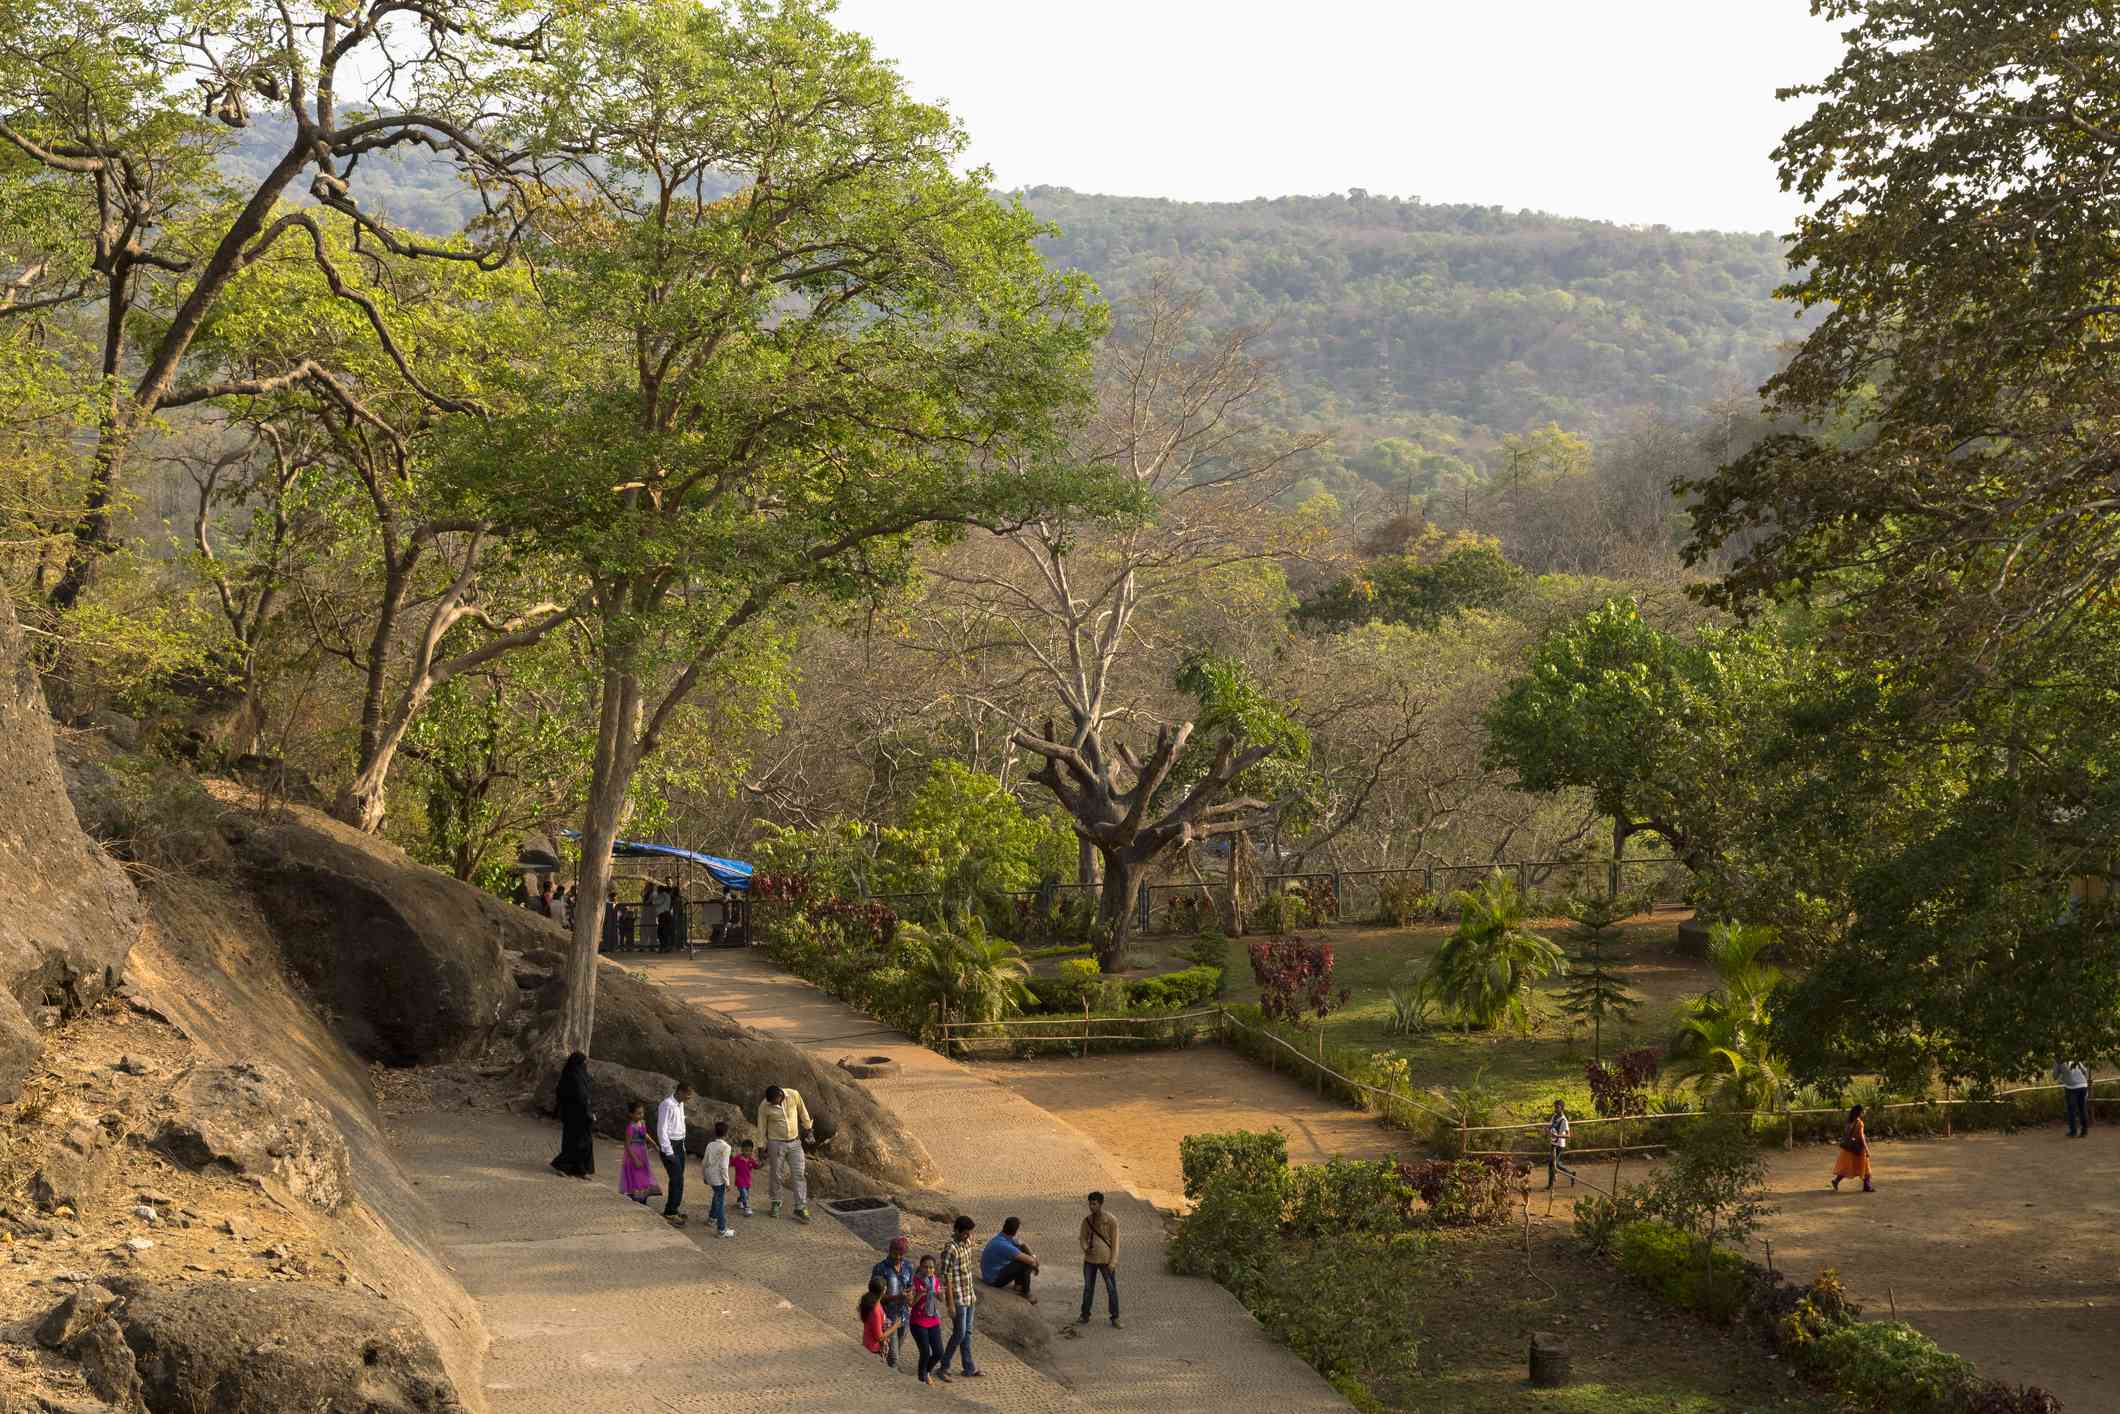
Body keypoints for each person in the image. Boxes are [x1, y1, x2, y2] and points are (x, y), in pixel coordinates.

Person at [755, 1085, 814, 1221]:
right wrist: (760, 1147)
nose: (772, 1104)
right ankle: (776, 1202)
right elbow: (761, 1127)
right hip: (776, 1143)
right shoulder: (764, 1105)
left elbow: (803, 1112)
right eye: (770, 1103)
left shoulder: (794, 1094)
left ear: (780, 1096)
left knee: (799, 1174)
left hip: (795, 1142)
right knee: (776, 1174)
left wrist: (808, 1129)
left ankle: (800, 1207)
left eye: (774, 1102)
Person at [938, 1215, 982, 1377]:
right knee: (960, 1333)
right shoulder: (950, 1249)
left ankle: (969, 1367)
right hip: (958, 1298)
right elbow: (946, 1277)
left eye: (969, 1233)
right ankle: (944, 1365)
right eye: (965, 1233)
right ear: (956, 1231)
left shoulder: (967, 1242)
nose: (968, 1236)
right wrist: (950, 1304)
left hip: (969, 1295)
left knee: (967, 1332)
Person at [1075, 1191, 1120, 1329]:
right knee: (1088, 1288)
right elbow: (1082, 1237)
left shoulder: (1111, 1220)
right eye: (1090, 1203)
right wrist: (1085, 1247)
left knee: (1111, 1289)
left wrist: (1113, 1261)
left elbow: (1116, 1242)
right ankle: (1085, 1314)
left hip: (1106, 1260)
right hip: (1090, 1260)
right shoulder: (1087, 1221)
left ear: (1100, 1204)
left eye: (1094, 1204)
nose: (1091, 1206)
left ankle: (1115, 1317)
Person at [870, 1236, 916, 1371]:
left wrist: (909, 1296)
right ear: (889, 1251)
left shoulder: (908, 1266)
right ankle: (893, 1375)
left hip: (903, 1315)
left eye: (902, 1254)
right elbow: (876, 1296)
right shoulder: (880, 1269)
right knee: (894, 1355)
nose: (898, 1257)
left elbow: (910, 1286)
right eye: (896, 1253)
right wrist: (896, 1297)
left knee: (897, 1349)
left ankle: (890, 1368)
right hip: (887, 1317)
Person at [549, 1052, 595, 1178]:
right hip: (573, 1116)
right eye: (583, 1062)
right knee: (572, 1143)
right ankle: (562, 1166)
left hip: (584, 1115)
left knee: (586, 1142)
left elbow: (586, 1096)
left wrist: (589, 1113)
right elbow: (571, 1096)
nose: (585, 1065)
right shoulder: (570, 1076)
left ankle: (581, 1169)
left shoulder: (582, 1075)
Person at [908, 1253, 947, 1384]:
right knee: (925, 1352)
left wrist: (941, 1293)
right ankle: (922, 1377)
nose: (929, 1270)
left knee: (939, 1352)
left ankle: (927, 1371)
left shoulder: (935, 1280)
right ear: (921, 1267)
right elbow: (911, 1303)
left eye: (931, 1267)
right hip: (918, 1320)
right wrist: (920, 1294)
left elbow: (941, 1299)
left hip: (932, 1319)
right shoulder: (914, 1281)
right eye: (926, 1267)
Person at [980, 1216, 1039, 1303]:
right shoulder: (1004, 1245)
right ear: (1015, 1231)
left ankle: (1018, 1285)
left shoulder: (1002, 1237)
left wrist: (1031, 1254)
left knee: (1022, 1252)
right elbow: (1031, 1261)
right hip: (994, 1279)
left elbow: (1022, 1244)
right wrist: (1035, 1261)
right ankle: (1025, 1292)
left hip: (990, 1274)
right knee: (1025, 1263)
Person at [656, 1081, 691, 1224]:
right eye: (688, 1095)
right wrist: (668, 1151)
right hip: (670, 1146)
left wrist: (682, 1148)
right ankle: (670, 1212)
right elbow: (661, 1129)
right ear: (680, 1092)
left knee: (679, 1179)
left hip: (679, 1144)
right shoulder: (667, 1104)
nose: (689, 1098)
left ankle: (674, 1208)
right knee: (676, 1179)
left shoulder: (680, 1104)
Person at [702, 1120, 736, 1237]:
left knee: (716, 1195)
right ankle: (721, 1229)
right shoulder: (726, 1147)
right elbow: (724, 1166)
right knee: (720, 1201)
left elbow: (704, 1161)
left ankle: (712, 1217)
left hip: (709, 1175)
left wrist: (704, 1176)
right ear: (726, 1134)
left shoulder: (710, 1145)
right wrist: (727, 1182)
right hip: (718, 1178)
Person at [1831, 1103, 1874, 1193]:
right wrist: (1866, 1149)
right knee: (1865, 1166)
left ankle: (1836, 1181)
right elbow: (1861, 1137)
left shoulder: (1849, 1122)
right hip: (1858, 1148)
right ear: (1860, 1112)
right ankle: (1867, 1186)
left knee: (1846, 1167)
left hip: (1848, 1148)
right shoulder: (1859, 1123)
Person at [619, 1100, 656, 1203]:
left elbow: (645, 1134)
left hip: (643, 1152)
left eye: (642, 1113)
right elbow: (627, 1144)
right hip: (634, 1154)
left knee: (644, 1176)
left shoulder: (642, 1122)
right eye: (638, 1113)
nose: (641, 1115)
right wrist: (635, 1159)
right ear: (631, 1114)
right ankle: (636, 1198)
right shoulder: (630, 1127)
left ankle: (643, 1198)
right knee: (636, 1176)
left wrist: (654, 1144)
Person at [859, 1278, 901, 1365]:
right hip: (873, 1349)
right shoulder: (875, 1310)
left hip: (867, 1343)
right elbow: (879, 1337)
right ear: (883, 1291)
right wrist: (895, 1326)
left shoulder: (870, 1302)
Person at [1545, 1099, 1579, 1190]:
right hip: (1553, 1143)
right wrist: (1547, 1130)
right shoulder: (1554, 1117)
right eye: (1555, 1107)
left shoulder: (1564, 1120)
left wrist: (1557, 1135)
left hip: (1559, 1145)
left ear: (1562, 1108)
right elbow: (1550, 1127)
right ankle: (1570, 1174)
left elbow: (1568, 1135)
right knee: (1553, 1164)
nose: (1555, 1109)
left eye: (1557, 1107)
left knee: (1554, 1164)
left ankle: (1551, 1184)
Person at [2054, 1058, 2092, 1137]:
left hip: (2071, 1087)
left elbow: (2055, 1076)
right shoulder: (2074, 1057)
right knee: (2082, 1109)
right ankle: (2084, 1131)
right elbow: (2084, 1071)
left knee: (2071, 1110)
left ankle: (2073, 1132)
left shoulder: (2058, 1060)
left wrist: (2062, 1077)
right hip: (2083, 1085)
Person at [731, 1139, 759, 1216]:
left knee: (744, 1193)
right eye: (746, 1150)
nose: (747, 1153)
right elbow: (731, 1163)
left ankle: (739, 1201)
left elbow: (756, 1166)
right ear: (742, 1149)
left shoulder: (751, 1160)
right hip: (740, 1181)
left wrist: (760, 1164)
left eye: (750, 1151)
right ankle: (747, 1208)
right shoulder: (737, 1158)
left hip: (747, 1181)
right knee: (745, 1194)